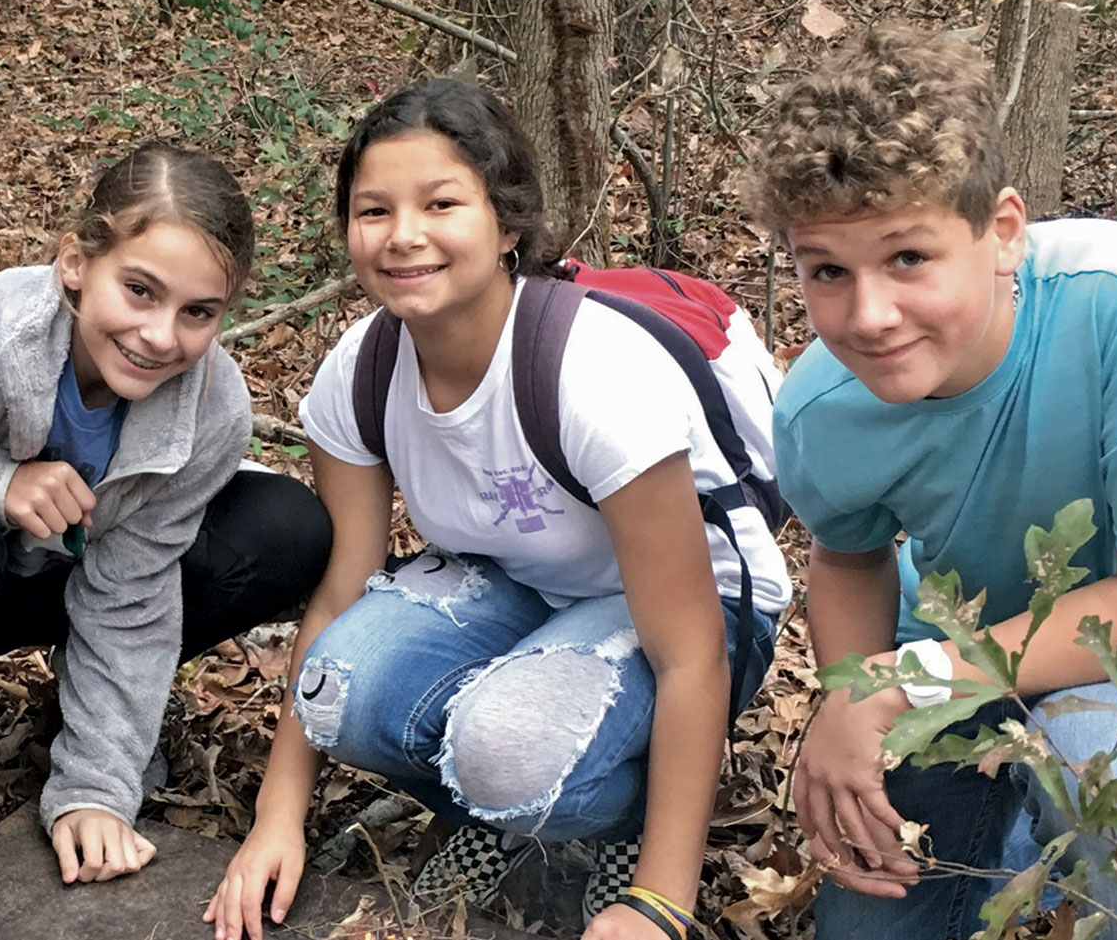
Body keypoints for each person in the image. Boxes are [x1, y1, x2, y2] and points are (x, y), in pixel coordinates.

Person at [206, 78, 791, 940]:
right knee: (343, 688)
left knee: (509, 752)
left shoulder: (588, 374)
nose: (404, 235)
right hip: (521, 585)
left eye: (441, 203)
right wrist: (276, 815)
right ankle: (519, 808)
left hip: (696, 609)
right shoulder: (361, 371)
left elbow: (689, 648)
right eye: (374, 211)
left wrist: (663, 901)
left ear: (507, 224)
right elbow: (339, 597)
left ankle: (618, 831)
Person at [0, 142, 333, 887]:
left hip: (77, 580)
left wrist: (96, 787)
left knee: (287, 523)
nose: (162, 335)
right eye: (140, 290)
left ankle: (101, 715)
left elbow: (134, 590)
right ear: (76, 263)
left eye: (198, 311)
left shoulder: (213, 405)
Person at [753, 23, 1117, 940]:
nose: (870, 315)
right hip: (963, 636)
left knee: (1108, 793)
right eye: (827, 270)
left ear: (1001, 232)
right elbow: (851, 556)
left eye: (908, 257)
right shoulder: (819, 410)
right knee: (869, 918)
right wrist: (851, 697)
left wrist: (896, 683)